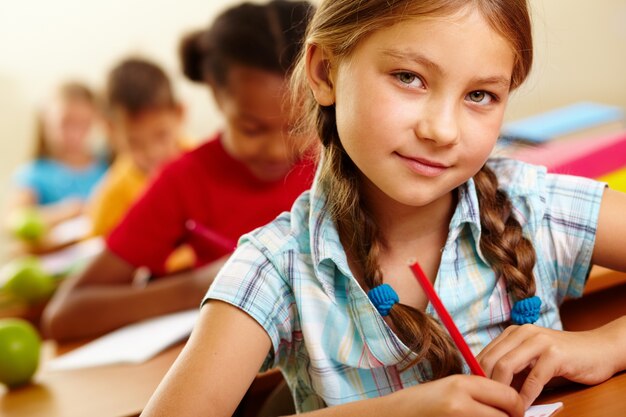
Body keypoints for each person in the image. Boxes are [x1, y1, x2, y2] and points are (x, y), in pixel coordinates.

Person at [140, 0, 626, 416]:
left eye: (480, 95)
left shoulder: (533, 205)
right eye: (409, 77)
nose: (442, 130)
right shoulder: (279, 265)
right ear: (325, 71)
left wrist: (603, 347)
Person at [41, 0, 316, 342]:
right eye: (252, 129)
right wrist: (197, 287)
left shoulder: (343, 157)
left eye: (299, 125)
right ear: (217, 96)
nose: (277, 150)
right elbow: (63, 315)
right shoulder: (185, 180)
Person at [88, 58, 189, 244]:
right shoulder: (112, 197)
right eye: (134, 143)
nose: (152, 152)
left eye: (161, 135)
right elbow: (101, 256)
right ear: (111, 130)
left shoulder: (208, 163)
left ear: (180, 113)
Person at [7, 82, 107, 245]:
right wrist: (66, 213)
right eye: (65, 123)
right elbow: (12, 221)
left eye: (84, 124)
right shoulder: (34, 173)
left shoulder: (107, 167)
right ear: (46, 121)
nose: (75, 134)